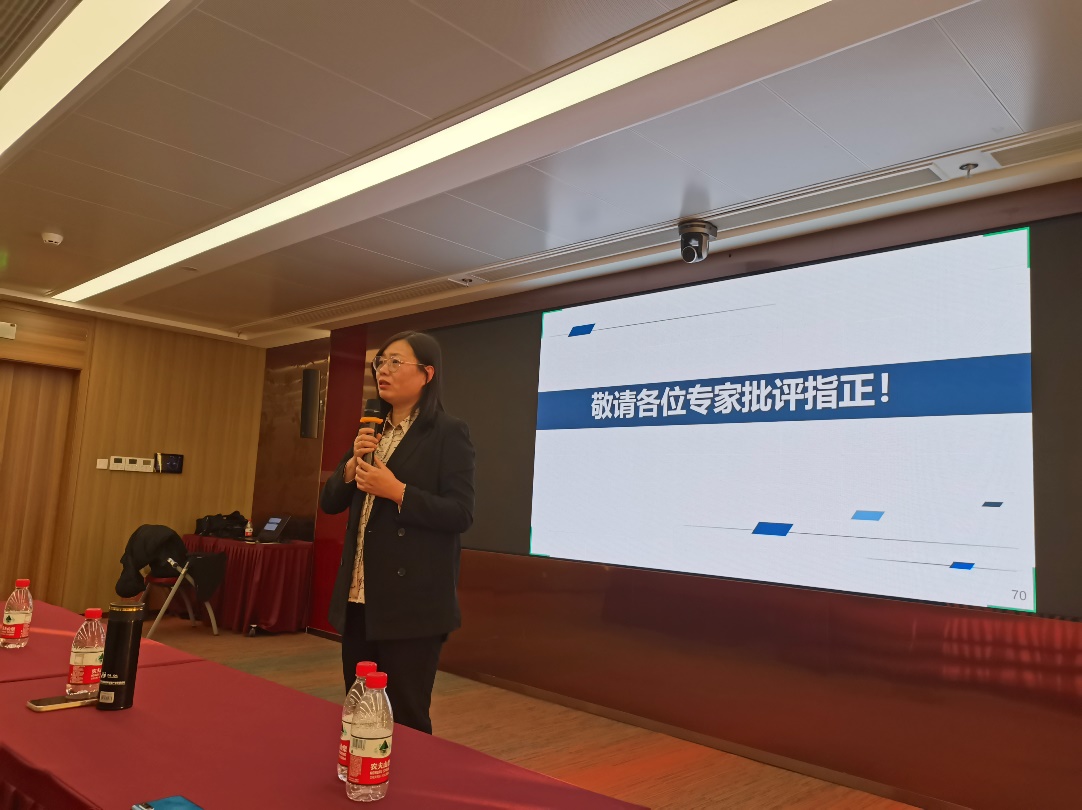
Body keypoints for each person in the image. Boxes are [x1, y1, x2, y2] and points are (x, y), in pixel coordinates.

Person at [320, 330, 475, 734]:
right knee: (360, 708)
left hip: (412, 605)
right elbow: (330, 502)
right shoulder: (372, 430)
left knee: (405, 714)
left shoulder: (447, 432)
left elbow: (460, 513)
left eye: (395, 362)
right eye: (380, 362)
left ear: (426, 374)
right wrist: (351, 466)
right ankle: (363, 768)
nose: (382, 371)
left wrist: (398, 492)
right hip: (360, 598)